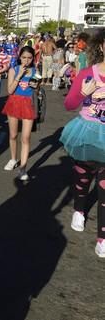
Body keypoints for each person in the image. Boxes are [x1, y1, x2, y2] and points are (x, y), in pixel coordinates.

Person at [59, 29, 105, 258]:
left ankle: (103, 237)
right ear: (102, 46)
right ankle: (79, 209)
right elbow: (69, 104)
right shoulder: (88, 72)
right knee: (83, 176)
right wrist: (83, 93)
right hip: (87, 131)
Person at [1, 46, 38, 181]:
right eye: (24, 57)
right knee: (13, 134)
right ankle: (13, 159)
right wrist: (18, 76)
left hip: (28, 104)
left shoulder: (35, 71)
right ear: (19, 57)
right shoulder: (13, 69)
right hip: (14, 103)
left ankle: (23, 168)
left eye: (29, 58)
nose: (26, 60)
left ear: (33, 58)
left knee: (26, 138)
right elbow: (10, 90)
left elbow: (35, 90)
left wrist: (36, 83)